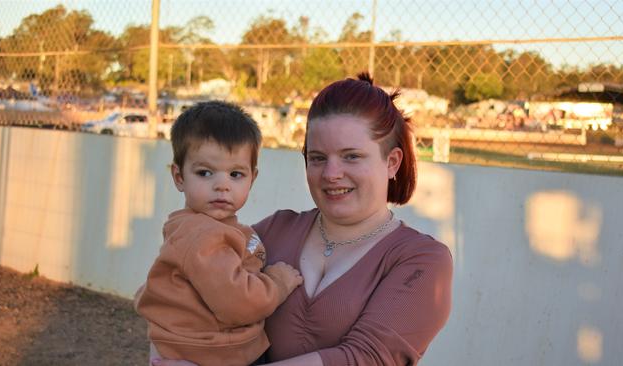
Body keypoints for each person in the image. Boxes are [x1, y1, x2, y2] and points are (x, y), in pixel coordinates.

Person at [153, 73, 453, 366]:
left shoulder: (421, 259)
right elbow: (180, 302)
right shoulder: (271, 231)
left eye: (351, 156)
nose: (331, 174)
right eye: (318, 158)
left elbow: (368, 357)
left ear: (392, 162)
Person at [135, 101, 303, 366]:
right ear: (179, 177)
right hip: (215, 354)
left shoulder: (204, 228)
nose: (222, 185)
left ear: (252, 178)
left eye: (236, 174)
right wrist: (278, 283)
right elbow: (239, 302)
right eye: (205, 173)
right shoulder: (200, 235)